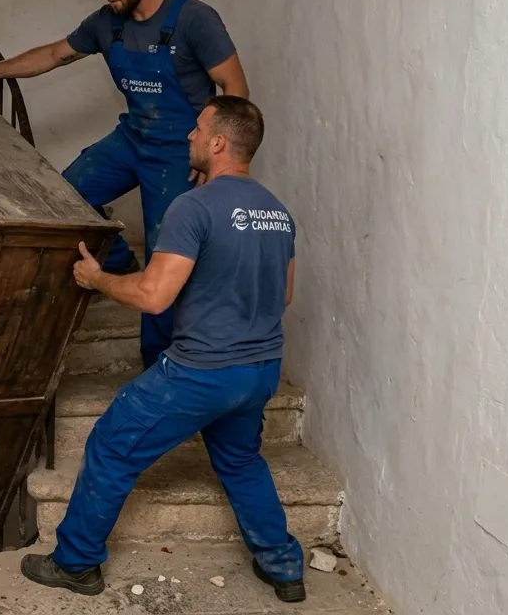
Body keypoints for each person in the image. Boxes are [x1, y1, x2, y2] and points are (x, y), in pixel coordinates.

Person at [18, 96, 307, 603]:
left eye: (198, 129)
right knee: (241, 461)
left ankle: (75, 563)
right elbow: (283, 295)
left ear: (218, 143)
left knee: (111, 445)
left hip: (201, 372)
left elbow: (153, 297)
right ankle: (284, 568)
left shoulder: (193, 206)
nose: (189, 136)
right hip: (260, 369)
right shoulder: (278, 213)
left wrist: (97, 278)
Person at [0, 0, 248, 372]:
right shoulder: (105, 24)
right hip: (133, 139)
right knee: (64, 198)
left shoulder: (195, 19)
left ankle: (158, 365)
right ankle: (118, 259)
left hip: (180, 152)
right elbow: (53, 54)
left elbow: (236, 89)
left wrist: (216, 161)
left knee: (165, 254)